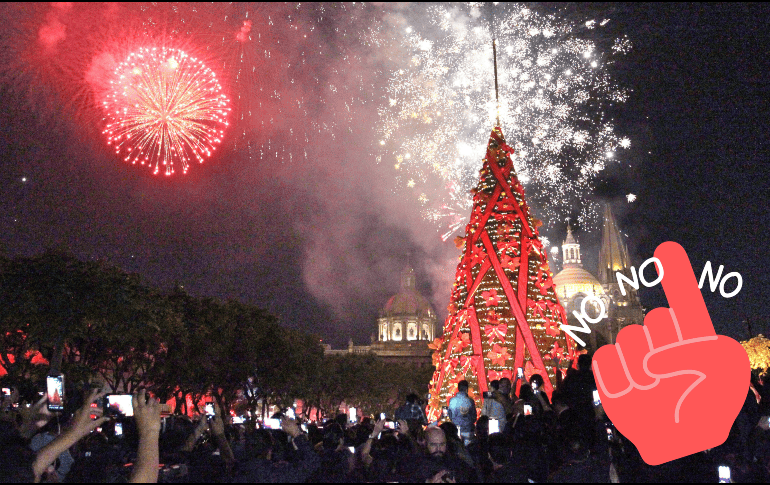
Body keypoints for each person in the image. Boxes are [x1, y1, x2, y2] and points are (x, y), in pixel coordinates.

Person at [448, 380, 477, 445]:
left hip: (456, 429)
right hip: (468, 430)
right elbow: (474, 416)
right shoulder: (470, 401)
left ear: (458, 388)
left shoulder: (452, 400)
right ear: (466, 389)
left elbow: (450, 415)